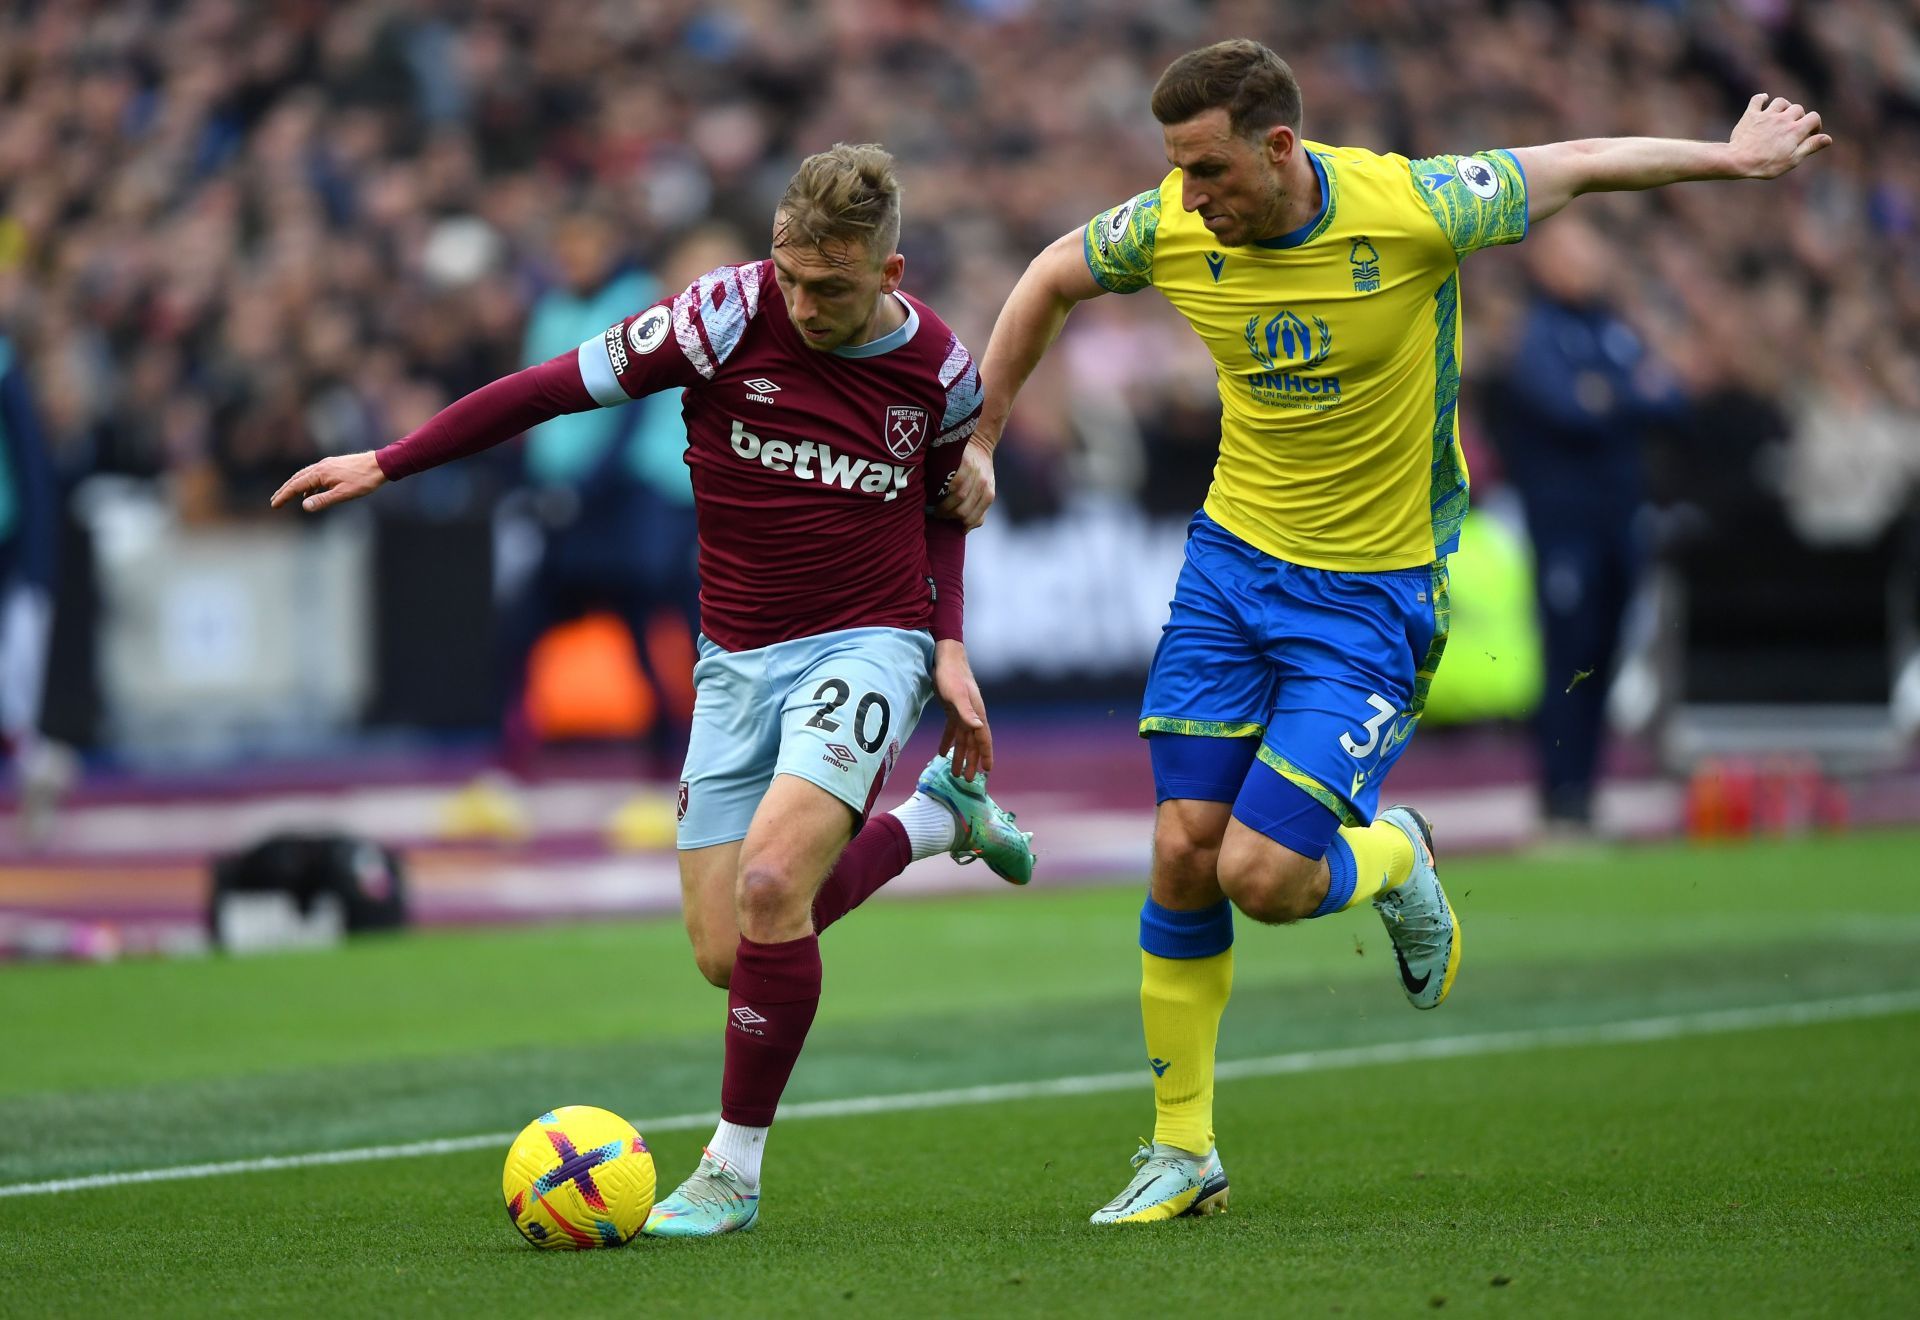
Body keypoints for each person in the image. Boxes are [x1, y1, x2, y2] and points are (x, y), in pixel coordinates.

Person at [945, 39, 1828, 1223]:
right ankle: (1183, 1150)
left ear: (1279, 146)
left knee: (1261, 877)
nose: (1191, 199)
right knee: (1180, 850)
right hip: (1229, 573)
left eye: (1209, 171)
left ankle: (1398, 854)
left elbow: (1574, 163)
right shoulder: (1169, 226)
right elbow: (1048, 275)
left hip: (1371, 595)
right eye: (1176, 173)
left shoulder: (1409, 206)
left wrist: (1731, 159)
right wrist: (988, 436)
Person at [274, 144, 1037, 1236]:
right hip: (733, 657)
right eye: (791, 274)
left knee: (774, 884)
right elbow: (546, 391)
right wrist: (393, 461)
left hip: (867, 642)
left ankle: (731, 1174)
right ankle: (931, 823)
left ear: (892, 273)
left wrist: (945, 646)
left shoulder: (942, 374)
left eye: (833, 285)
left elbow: (945, 509)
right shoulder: (720, 318)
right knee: (733, 953)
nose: (806, 302)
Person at [1489, 216, 1681, 838]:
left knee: (1604, 653)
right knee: (1568, 651)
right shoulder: (1541, 333)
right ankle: (1559, 791)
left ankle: (1587, 788)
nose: (1589, 264)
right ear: (1545, 262)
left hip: (1620, 521)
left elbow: (1674, 399)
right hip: (1564, 526)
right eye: (1576, 251)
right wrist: (1629, 395)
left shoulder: (1613, 328)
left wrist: (1613, 394)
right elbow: (1568, 407)